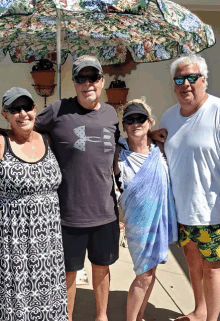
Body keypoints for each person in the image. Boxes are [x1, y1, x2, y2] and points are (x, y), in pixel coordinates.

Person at [35, 55, 120, 321]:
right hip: (68, 212)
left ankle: (102, 316)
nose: (87, 84)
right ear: (74, 83)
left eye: (93, 77)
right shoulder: (58, 109)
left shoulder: (110, 113)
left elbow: (122, 146)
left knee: (102, 267)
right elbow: (26, 129)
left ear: (102, 81)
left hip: (105, 211)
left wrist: (152, 135)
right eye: (80, 78)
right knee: (68, 272)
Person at [158, 54, 220, 321]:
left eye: (192, 78)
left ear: (204, 80)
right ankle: (199, 310)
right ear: (174, 86)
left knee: (213, 269)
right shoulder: (169, 117)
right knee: (193, 264)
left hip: (212, 213)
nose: (186, 84)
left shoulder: (217, 110)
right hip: (182, 210)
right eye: (180, 79)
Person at [0, 87, 68, 321]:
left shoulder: (48, 140)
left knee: (49, 304)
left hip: (49, 248)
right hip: (14, 247)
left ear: (35, 109)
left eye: (26, 107)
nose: (22, 113)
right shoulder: (1, 143)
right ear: (5, 115)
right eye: (14, 109)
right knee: (18, 307)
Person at [114, 99, 178, 321]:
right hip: (138, 224)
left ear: (149, 122)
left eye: (140, 118)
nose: (135, 123)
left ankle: (140, 316)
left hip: (158, 221)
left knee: (151, 273)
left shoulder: (160, 149)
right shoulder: (118, 153)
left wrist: (153, 135)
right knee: (144, 274)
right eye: (129, 120)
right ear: (124, 126)